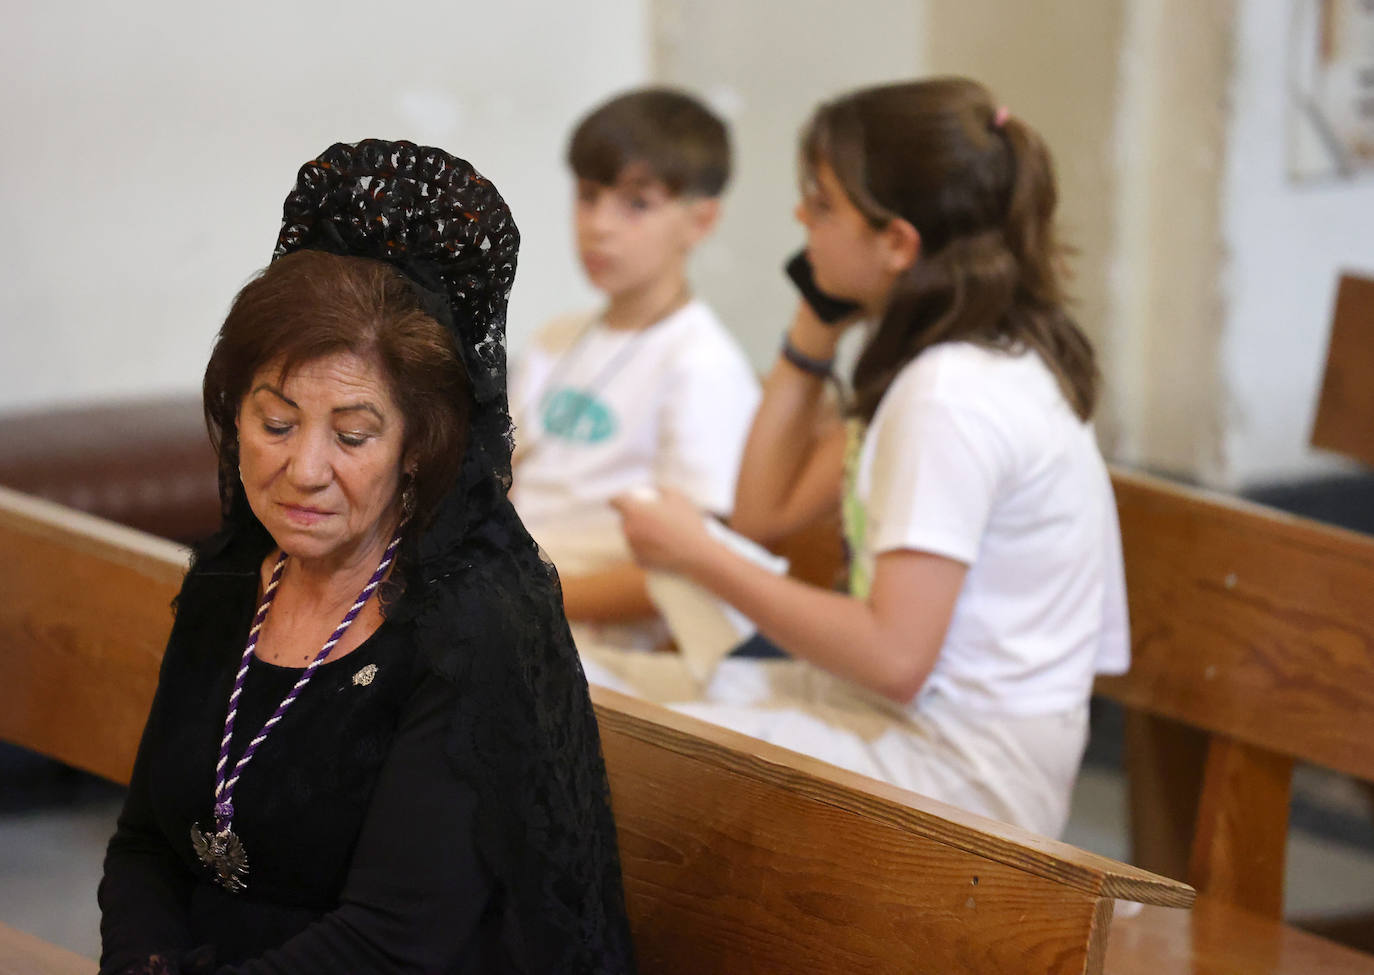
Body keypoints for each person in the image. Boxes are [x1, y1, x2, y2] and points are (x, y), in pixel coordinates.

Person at [98, 140, 636, 974]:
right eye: (276, 423)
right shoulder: (231, 578)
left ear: (418, 447)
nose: (304, 468)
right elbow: (145, 844)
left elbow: (394, 941)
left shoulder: (469, 627)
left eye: (352, 435)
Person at [612, 78, 1129, 839]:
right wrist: (814, 328)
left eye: (823, 205)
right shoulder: (948, 360)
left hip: (962, 782)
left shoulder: (950, 395)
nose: (801, 218)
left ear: (898, 245)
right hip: (908, 728)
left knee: (612, 751)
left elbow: (894, 658)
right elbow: (764, 511)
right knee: (594, 690)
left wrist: (697, 555)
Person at [509, 87, 760, 653]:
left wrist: (527, 598)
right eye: (588, 196)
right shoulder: (555, 338)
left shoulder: (702, 365)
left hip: (591, 633)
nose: (599, 226)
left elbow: (693, 569)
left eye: (636, 205)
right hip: (510, 583)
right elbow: (505, 477)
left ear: (700, 220)